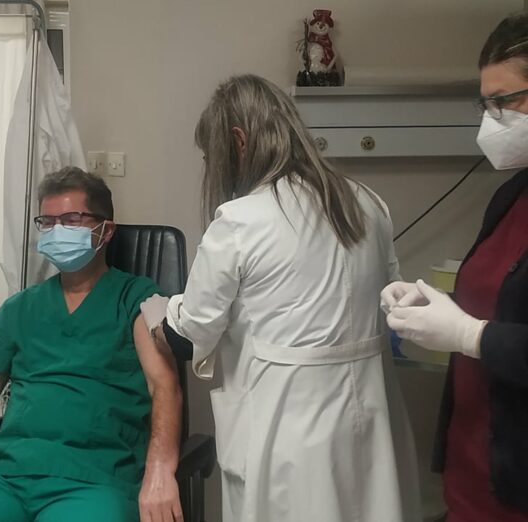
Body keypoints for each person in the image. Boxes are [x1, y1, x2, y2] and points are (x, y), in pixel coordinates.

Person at [140, 74, 421, 522]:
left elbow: (189, 336)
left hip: (286, 441)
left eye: (212, 155)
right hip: (370, 428)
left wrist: (157, 315)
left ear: (238, 142)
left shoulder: (240, 221)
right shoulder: (368, 203)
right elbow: (390, 302)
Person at [0, 167, 183, 522]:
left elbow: (164, 385)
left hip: (94, 480)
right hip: (5, 477)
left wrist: (160, 472)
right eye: (48, 222)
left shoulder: (137, 299)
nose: (57, 230)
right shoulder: (19, 308)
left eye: (71, 220)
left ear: (106, 230)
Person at [382, 12, 528, 522]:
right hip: (471, 474)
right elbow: (493, 298)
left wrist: (470, 335)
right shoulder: (511, 195)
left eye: (505, 101)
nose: (491, 120)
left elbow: (484, 330)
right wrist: (434, 306)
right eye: (484, 104)